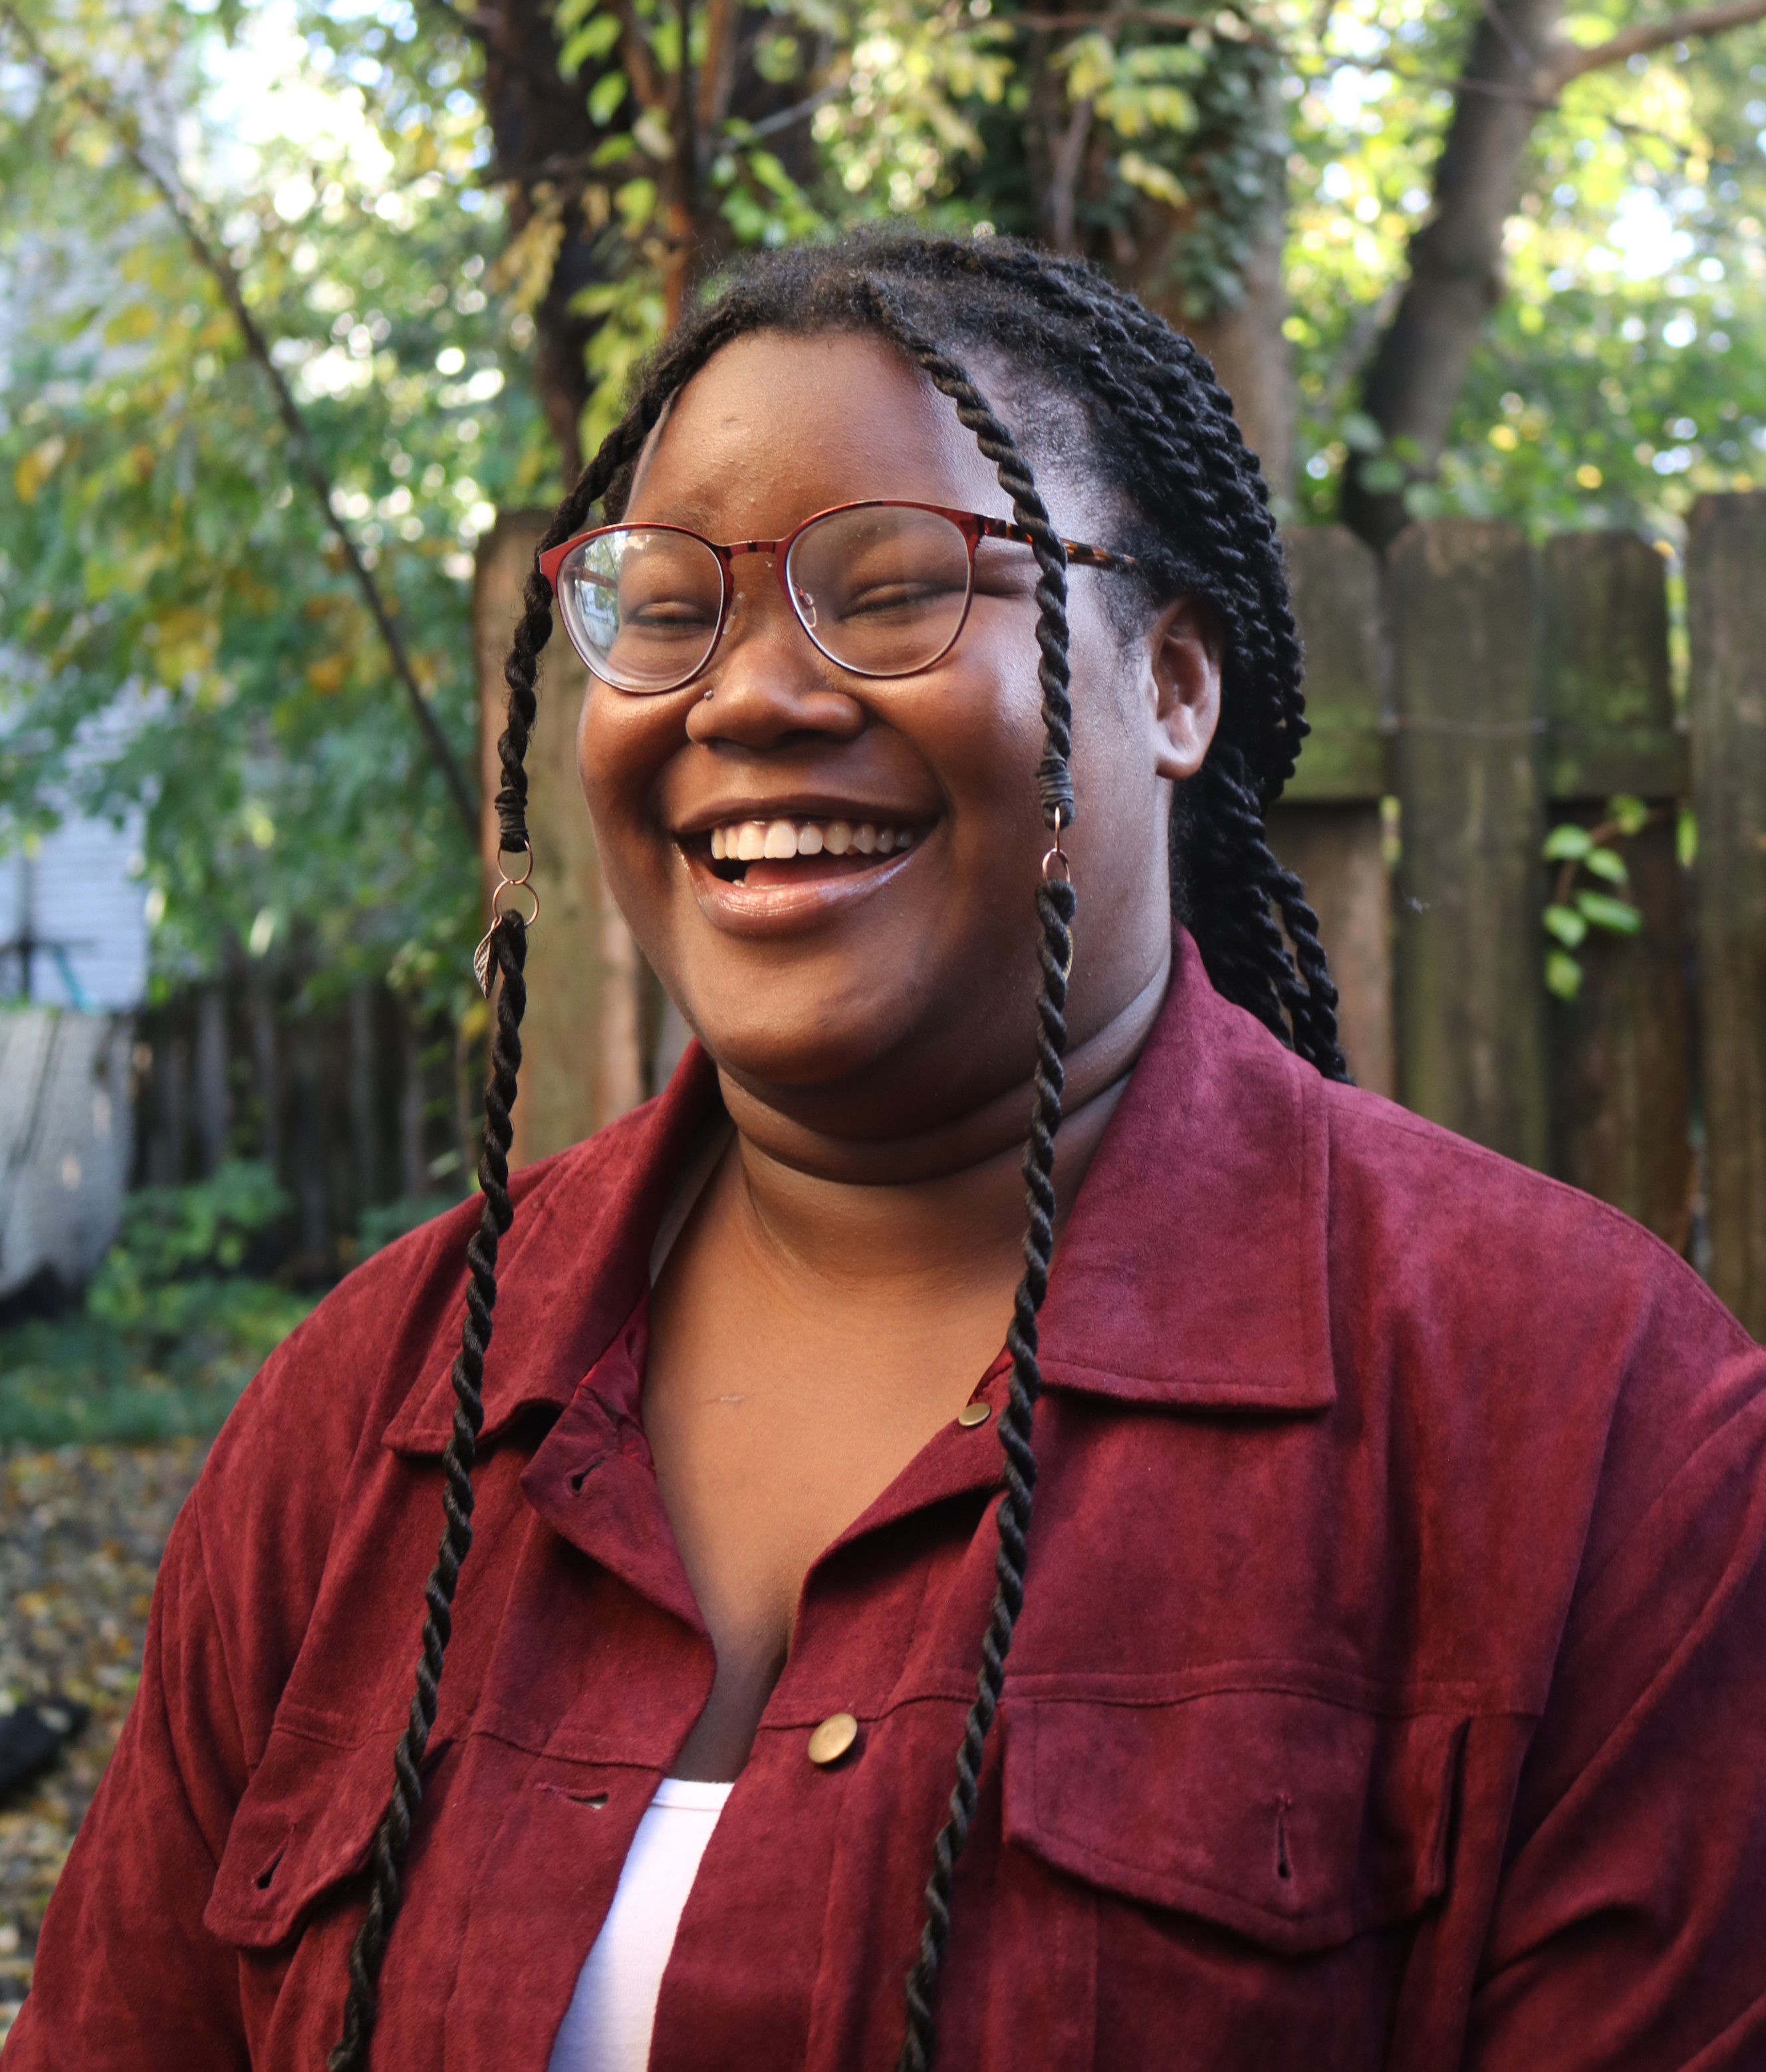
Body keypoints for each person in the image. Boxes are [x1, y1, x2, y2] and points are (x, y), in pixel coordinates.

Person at [10, 233, 1766, 2072]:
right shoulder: (370, 1415)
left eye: (900, 586)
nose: (747, 698)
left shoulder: (1589, 1434)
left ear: (1174, 684)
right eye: (668, 611)